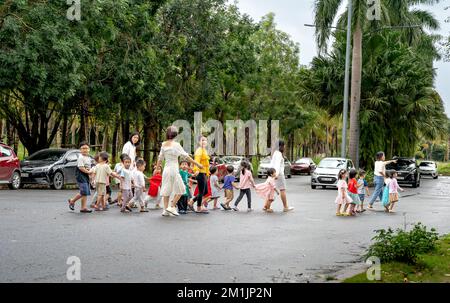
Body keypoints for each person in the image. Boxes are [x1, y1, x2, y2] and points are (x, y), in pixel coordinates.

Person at [156, 126, 203, 217]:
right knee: (182, 189)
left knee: (166, 189)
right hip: (173, 169)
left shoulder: (163, 144)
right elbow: (186, 156)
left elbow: (160, 158)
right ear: (176, 135)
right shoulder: (176, 145)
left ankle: (165, 210)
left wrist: (157, 168)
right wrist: (197, 164)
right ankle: (172, 206)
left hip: (166, 169)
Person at [68, 141, 93, 213]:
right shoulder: (81, 158)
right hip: (80, 175)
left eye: (86, 148)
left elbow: (88, 167)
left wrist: (90, 173)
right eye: (83, 148)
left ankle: (82, 207)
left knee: (85, 192)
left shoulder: (88, 157)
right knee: (84, 191)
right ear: (80, 150)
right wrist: (89, 172)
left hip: (86, 175)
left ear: (89, 149)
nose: (85, 150)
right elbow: (81, 168)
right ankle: (74, 202)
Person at [269, 140, 294, 212]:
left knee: (271, 190)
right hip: (279, 175)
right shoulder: (279, 154)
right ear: (281, 146)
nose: (285, 147)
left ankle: (266, 206)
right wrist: (275, 174)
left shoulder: (275, 153)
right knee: (282, 190)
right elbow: (277, 165)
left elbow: (272, 164)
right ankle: (285, 207)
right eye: (284, 145)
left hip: (274, 174)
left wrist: (271, 174)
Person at [188, 136, 210, 213]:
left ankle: (192, 201)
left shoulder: (204, 150)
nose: (204, 141)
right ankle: (198, 208)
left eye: (205, 140)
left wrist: (207, 174)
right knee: (201, 192)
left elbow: (206, 164)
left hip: (204, 173)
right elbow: (196, 161)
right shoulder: (199, 151)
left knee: (205, 191)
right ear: (199, 142)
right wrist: (196, 170)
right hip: (200, 173)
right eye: (202, 140)